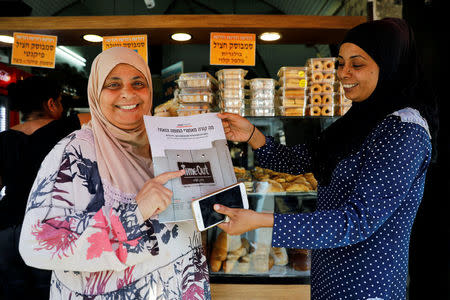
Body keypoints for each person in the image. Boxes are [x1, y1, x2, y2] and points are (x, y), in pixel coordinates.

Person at [215, 18, 438, 300]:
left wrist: (260, 221)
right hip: (330, 278)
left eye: (357, 65)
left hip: (365, 285)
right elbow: (300, 161)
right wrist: (251, 135)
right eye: (340, 63)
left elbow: (355, 221)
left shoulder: (403, 131)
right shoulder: (360, 120)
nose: (343, 73)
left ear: (391, 65)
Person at [18, 47, 211, 299]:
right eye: (113, 84)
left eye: (138, 83)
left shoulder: (169, 142)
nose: (128, 93)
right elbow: (37, 244)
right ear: (96, 93)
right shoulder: (74, 152)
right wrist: (136, 211)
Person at [0, 76, 81, 299]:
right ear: (51, 104)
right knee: (50, 291)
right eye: (60, 102)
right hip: (49, 227)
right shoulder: (67, 129)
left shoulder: (4, 139)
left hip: (7, 229)